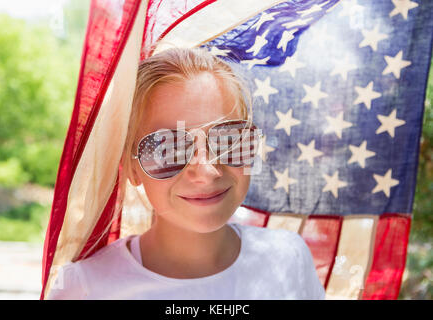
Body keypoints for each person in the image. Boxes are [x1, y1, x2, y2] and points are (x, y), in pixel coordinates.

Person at [47, 47, 325, 300]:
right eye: (168, 149)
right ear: (132, 168)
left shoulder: (288, 258)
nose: (207, 171)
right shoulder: (86, 289)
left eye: (230, 140)